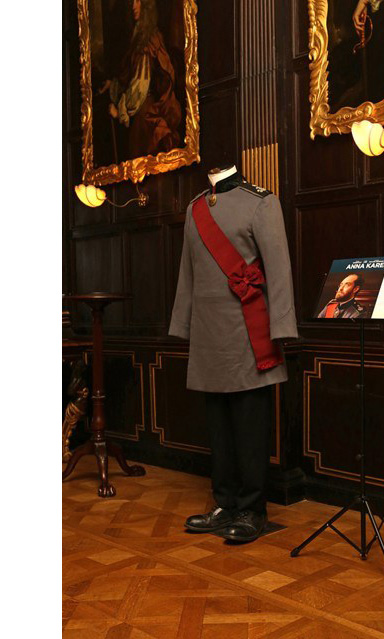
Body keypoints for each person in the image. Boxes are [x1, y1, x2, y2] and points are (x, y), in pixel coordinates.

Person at [169, 166, 298, 542]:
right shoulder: (195, 209)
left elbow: (279, 270)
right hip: (208, 336)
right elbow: (187, 274)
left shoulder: (262, 203)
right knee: (219, 428)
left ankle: (253, 509)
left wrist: (282, 327)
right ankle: (225, 503)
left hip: (248, 334)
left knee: (249, 425)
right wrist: (182, 324)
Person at [100, 0, 182, 160]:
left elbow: (140, 84)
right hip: (143, 107)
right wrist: (113, 85)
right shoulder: (140, 34)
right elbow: (132, 74)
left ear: (146, 5)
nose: (133, 6)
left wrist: (120, 112)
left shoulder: (148, 39)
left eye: (138, 1)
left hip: (144, 112)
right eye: (132, 1)